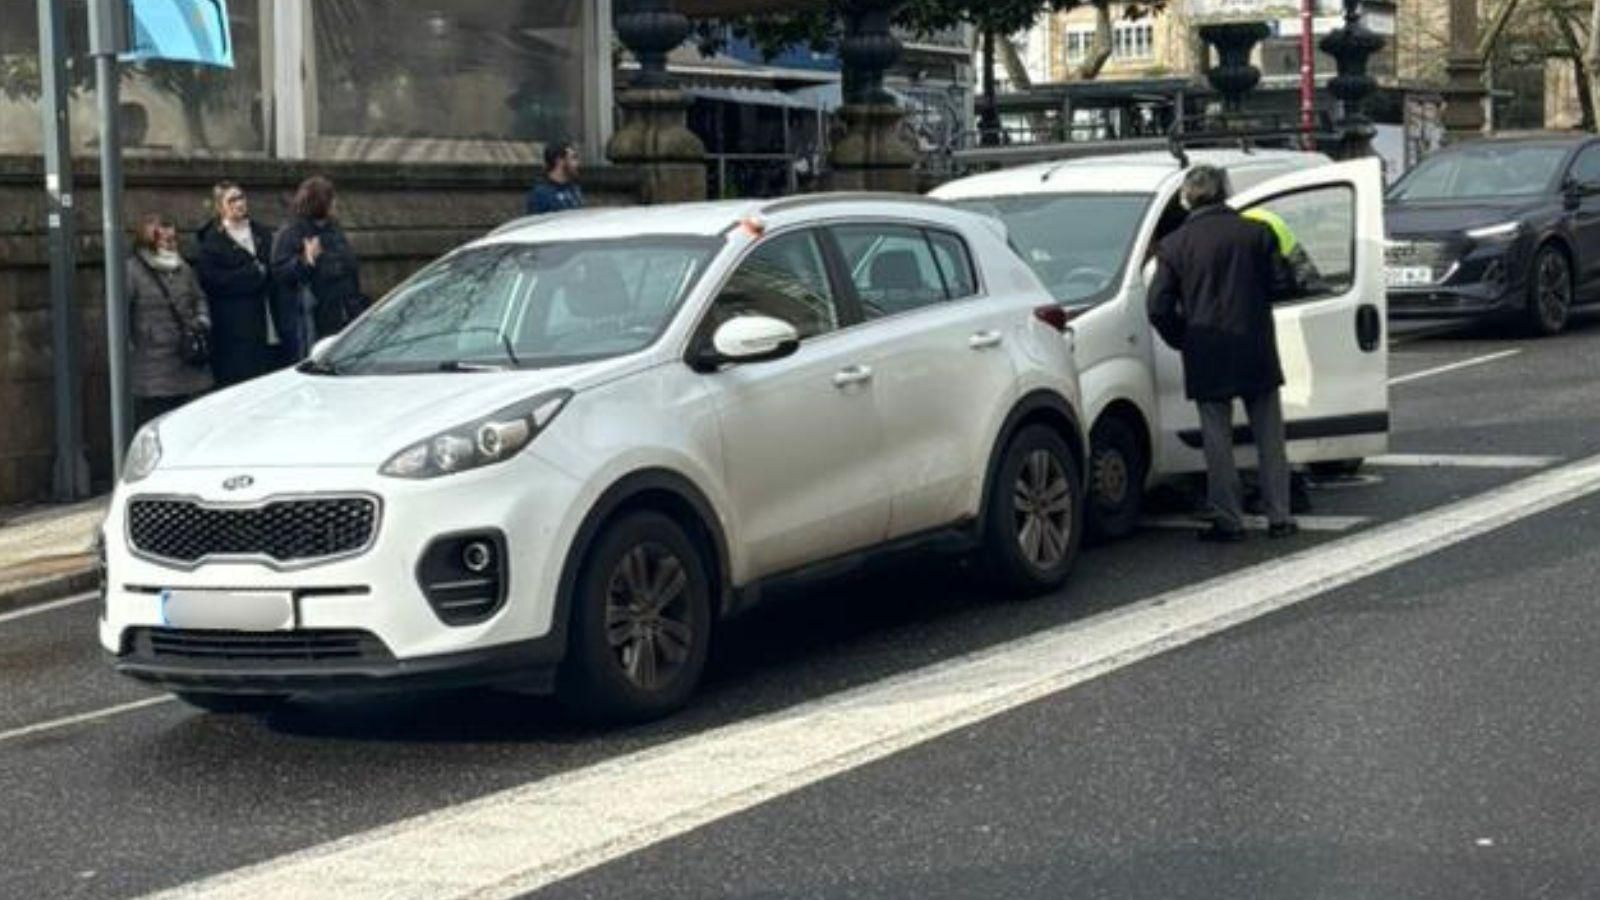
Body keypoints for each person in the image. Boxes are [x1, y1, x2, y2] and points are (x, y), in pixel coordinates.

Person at [1146, 166, 1297, 542]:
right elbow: (1284, 284)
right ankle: (1280, 515)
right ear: (1225, 191)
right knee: (1270, 437)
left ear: (1187, 197)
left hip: (1206, 350)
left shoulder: (1175, 245)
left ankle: (1229, 520)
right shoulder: (1256, 234)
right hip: (1256, 346)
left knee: (1217, 441)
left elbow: (1158, 307)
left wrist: (1184, 338)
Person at [127, 213, 213, 428]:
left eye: (174, 239)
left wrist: (202, 319)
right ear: (150, 239)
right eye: (166, 239)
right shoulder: (132, 270)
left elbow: (199, 296)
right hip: (153, 363)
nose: (172, 243)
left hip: (187, 356)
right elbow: (121, 311)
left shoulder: (182, 267)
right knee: (156, 422)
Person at [271, 175, 364, 361]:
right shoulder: (291, 232)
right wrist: (306, 260)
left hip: (341, 312)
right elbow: (280, 272)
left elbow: (349, 268)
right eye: (331, 200)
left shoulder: (334, 229)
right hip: (312, 319)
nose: (335, 205)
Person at [196, 181, 276, 384]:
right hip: (234, 325)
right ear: (220, 206)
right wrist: (250, 274)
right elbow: (211, 280)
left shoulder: (261, 233)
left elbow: (273, 269)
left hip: (267, 317)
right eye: (232, 200)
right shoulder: (212, 241)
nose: (239, 203)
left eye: (241, 197)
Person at [525, 140, 584, 215]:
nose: (577, 163)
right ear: (559, 160)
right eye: (573, 158)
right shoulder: (541, 194)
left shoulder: (574, 189)